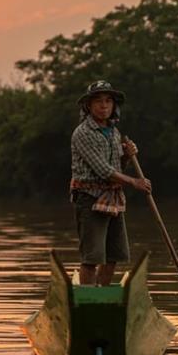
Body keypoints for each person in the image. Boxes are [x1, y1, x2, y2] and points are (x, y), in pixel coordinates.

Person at [70, 80, 152, 286]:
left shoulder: (114, 132)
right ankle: (88, 299)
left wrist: (126, 155)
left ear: (114, 105)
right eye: (98, 101)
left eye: (108, 101)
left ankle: (103, 294)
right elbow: (103, 170)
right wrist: (135, 182)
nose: (104, 106)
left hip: (113, 199)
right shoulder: (83, 133)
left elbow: (116, 167)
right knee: (92, 257)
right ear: (88, 106)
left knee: (113, 254)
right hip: (90, 199)